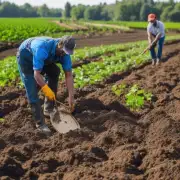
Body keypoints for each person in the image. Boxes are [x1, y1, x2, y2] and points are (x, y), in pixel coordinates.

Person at [16, 36, 76, 135]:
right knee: (32, 91)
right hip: (26, 58)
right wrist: (46, 89)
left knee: (55, 71)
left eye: (67, 52)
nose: (64, 54)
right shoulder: (42, 48)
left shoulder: (64, 54)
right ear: (59, 45)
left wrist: (71, 97)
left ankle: (48, 109)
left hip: (42, 59)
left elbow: (68, 75)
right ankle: (40, 124)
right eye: (64, 51)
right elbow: (36, 74)